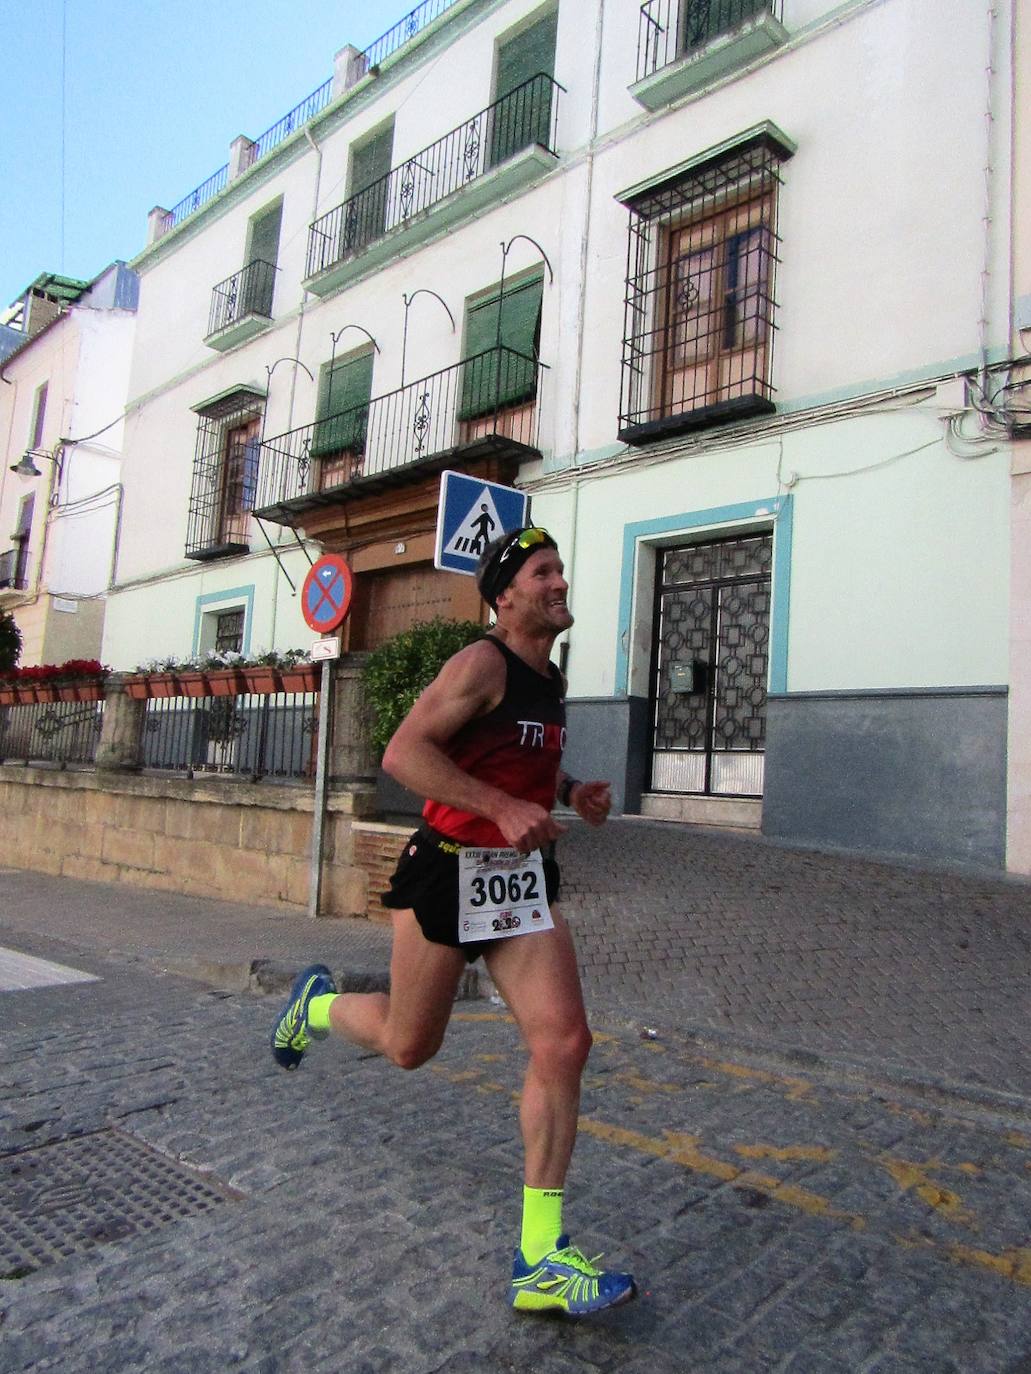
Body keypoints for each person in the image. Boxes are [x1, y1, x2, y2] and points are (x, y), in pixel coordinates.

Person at [271, 526, 636, 1317]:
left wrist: (568, 792)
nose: (560, 582)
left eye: (560, 570)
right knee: (409, 1046)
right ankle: (317, 1007)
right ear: (505, 596)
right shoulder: (480, 663)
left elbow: (510, 753)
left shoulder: (547, 676)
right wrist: (499, 805)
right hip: (446, 869)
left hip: (518, 879)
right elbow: (404, 754)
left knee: (564, 1043)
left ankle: (540, 1257)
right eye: (542, 573)